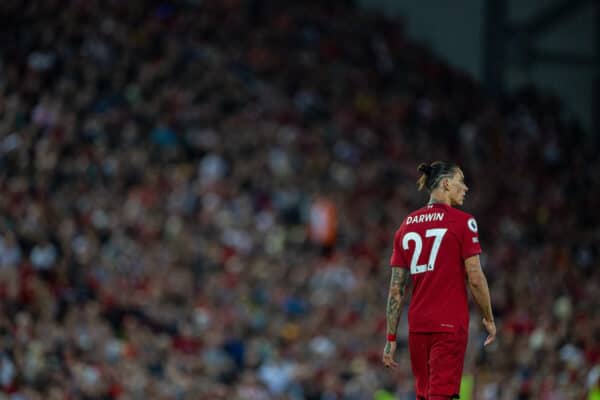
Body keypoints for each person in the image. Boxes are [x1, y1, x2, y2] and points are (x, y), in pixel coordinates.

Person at [381, 161, 496, 399]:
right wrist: (488, 317)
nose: (465, 188)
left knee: (424, 395)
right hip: (449, 326)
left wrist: (391, 337)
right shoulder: (464, 222)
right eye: (460, 181)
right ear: (445, 183)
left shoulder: (405, 226)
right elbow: (475, 277)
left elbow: (395, 290)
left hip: (417, 328)